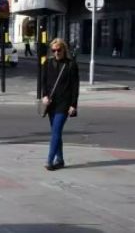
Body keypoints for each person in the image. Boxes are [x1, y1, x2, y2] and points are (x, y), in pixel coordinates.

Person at [42, 38, 80, 171]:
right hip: (51, 103)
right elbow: (44, 82)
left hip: (64, 103)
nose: (56, 53)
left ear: (64, 49)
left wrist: (73, 105)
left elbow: (75, 87)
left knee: (56, 131)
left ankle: (49, 160)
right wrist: (44, 96)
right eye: (54, 50)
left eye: (59, 50)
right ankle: (61, 159)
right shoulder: (47, 63)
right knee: (55, 132)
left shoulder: (71, 65)